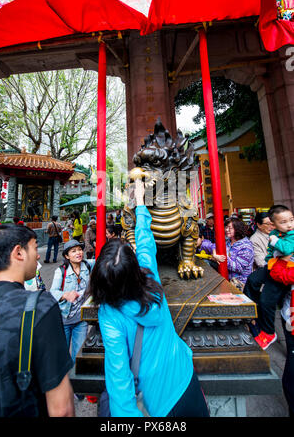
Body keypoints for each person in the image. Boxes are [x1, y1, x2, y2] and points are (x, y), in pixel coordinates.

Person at [89, 179, 209, 417]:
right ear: (135, 268)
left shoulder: (109, 313)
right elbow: (145, 242)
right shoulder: (151, 281)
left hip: (155, 404)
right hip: (185, 383)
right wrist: (141, 203)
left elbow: (119, 376)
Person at [0, 223, 74, 417]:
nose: (38, 255)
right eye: (35, 247)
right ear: (19, 253)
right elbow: (61, 409)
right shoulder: (39, 307)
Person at [244, 204, 294, 350]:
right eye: (283, 222)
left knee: (267, 301)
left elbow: (286, 249)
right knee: (252, 280)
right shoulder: (278, 233)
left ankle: (269, 332)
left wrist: (273, 240)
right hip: (273, 267)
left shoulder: (289, 235)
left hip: (283, 272)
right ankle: (252, 313)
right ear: (274, 224)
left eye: (291, 220)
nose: (289, 225)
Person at [50, 239, 95, 399]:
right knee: (63, 355)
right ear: (67, 256)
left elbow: (105, 261)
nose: (78, 253)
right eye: (74, 251)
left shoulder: (88, 266)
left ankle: (77, 389)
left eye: (79, 250)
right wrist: (64, 294)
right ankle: (62, 388)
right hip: (63, 320)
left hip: (80, 320)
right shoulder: (60, 271)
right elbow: (52, 292)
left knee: (78, 353)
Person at [269, 259, 294, 417]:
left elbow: (283, 274)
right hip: (289, 319)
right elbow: (277, 272)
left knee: (290, 380)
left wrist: (277, 265)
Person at [212, 217, 254, 291]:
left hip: (240, 283)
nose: (227, 230)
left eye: (230, 228)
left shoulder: (245, 246)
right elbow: (215, 247)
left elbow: (238, 267)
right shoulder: (228, 242)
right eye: (226, 227)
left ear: (237, 229)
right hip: (227, 280)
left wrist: (222, 258)